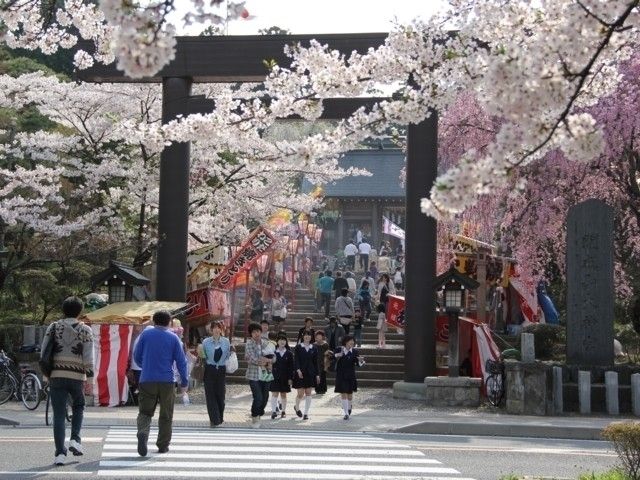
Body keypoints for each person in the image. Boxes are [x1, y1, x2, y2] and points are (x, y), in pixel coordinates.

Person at [41, 296, 94, 466]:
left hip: (56, 375)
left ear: (63, 310)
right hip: (77, 376)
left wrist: (45, 374)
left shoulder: (53, 327)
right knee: (79, 406)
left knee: (58, 414)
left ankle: (59, 454)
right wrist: (90, 378)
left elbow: (44, 352)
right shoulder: (86, 330)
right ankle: (75, 439)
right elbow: (88, 355)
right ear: (80, 311)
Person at [134, 310, 188, 457]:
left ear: (154, 321)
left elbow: (136, 356)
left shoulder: (145, 334)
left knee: (145, 411)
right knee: (166, 414)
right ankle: (163, 445)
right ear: (169, 322)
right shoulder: (174, 338)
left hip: (147, 379)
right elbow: (182, 362)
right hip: (167, 381)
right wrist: (184, 381)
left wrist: (145, 365)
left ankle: (143, 434)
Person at [201, 321, 231, 427]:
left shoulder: (226, 342)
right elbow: (203, 356)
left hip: (221, 369)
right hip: (209, 369)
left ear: (221, 329)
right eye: (214, 328)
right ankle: (214, 419)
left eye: (219, 327)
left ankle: (220, 418)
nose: (216, 330)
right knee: (210, 395)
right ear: (211, 330)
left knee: (220, 395)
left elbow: (228, 355)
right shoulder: (206, 342)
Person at [244, 322, 274, 428]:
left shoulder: (266, 342)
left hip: (266, 374)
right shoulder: (249, 344)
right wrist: (267, 360)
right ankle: (255, 416)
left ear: (261, 332)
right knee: (258, 397)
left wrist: (268, 360)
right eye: (254, 332)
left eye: (258, 331)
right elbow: (251, 358)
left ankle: (259, 412)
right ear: (251, 334)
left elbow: (274, 357)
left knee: (265, 397)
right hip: (253, 375)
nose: (256, 334)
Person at [333, 335, 362, 420]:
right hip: (341, 375)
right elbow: (331, 358)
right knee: (343, 393)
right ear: (346, 342)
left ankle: (349, 408)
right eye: (350, 341)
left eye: (353, 341)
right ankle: (346, 413)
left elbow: (358, 364)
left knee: (350, 394)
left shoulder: (355, 352)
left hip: (351, 375)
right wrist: (337, 355)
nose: (352, 343)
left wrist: (361, 361)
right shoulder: (339, 349)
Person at [293, 330, 319, 420]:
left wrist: (317, 374)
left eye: (309, 335)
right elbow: (296, 360)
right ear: (302, 336)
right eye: (305, 335)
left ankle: (306, 413)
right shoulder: (298, 347)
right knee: (300, 394)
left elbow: (316, 362)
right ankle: (297, 407)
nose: (307, 336)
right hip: (300, 373)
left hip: (311, 373)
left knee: (308, 393)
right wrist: (298, 370)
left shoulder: (314, 348)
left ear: (311, 337)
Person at [269, 333, 294, 419]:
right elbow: (269, 364)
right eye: (280, 340)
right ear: (277, 342)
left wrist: (291, 378)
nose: (282, 341)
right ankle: (273, 411)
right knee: (274, 394)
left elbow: (291, 367)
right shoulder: (273, 352)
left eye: (284, 340)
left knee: (283, 395)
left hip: (285, 377)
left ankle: (283, 411)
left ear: (286, 342)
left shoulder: (289, 353)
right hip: (275, 376)